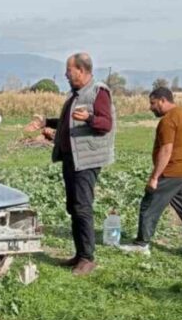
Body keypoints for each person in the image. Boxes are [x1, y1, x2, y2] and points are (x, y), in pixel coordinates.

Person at [24, 52, 115, 276]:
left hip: (87, 160)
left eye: (69, 70)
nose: (66, 74)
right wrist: (46, 122)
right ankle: (79, 254)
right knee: (74, 207)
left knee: (82, 207)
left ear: (81, 71)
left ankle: (87, 258)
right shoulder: (76, 94)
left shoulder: (98, 92)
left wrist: (90, 119)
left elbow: (106, 124)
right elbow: (67, 121)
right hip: (72, 158)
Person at [119, 87, 182, 259]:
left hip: (172, 173)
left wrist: (154, 177)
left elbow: (166, 150)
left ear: (163, 100)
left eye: (153, 103)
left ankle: (141, 244)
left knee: (149, 205)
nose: (151, 107)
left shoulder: (168, 121)